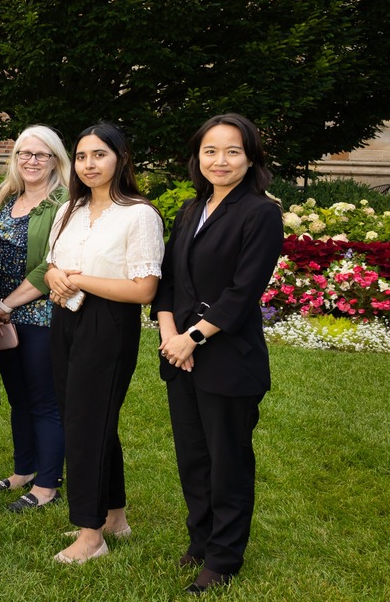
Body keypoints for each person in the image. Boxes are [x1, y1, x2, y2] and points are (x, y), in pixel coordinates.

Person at [153, 114, 282, 594]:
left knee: (228, 461)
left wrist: (194, 338)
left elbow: (242, 291)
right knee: (193, 457)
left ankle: (224, 557)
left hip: (228, 358)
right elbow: (167, 281)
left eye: (232, 151)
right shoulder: (191, 209)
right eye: (211, 151)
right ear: (197, 157)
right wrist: (171, 336)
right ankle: (200, 541)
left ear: (250, 158)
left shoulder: (261, 213)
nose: (220, 160)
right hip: (179, 354)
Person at [44, 123, 163, 564]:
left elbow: (144, 289)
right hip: (65, 320)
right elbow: (54, 265)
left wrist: (75, 279)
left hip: (108, 325)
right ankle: (115, 517)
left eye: (99, 155)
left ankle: (90, 536)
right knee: (89, 421)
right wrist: (56, 275)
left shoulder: (139, 214)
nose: (89, 164)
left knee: (86, 424)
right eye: (81, 156)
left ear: (120, 159)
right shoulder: (68, 210)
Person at [0, 126, 70, 513]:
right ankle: (23, 470)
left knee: (44, 400)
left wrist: (6, 305)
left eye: (40, 155)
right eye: (24, 154)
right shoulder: (8, 198)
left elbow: (52, 264)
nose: (31, 161)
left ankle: (48, 485)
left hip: (38, 314)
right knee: (19, 398)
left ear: (55, 160)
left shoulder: (64, 203)